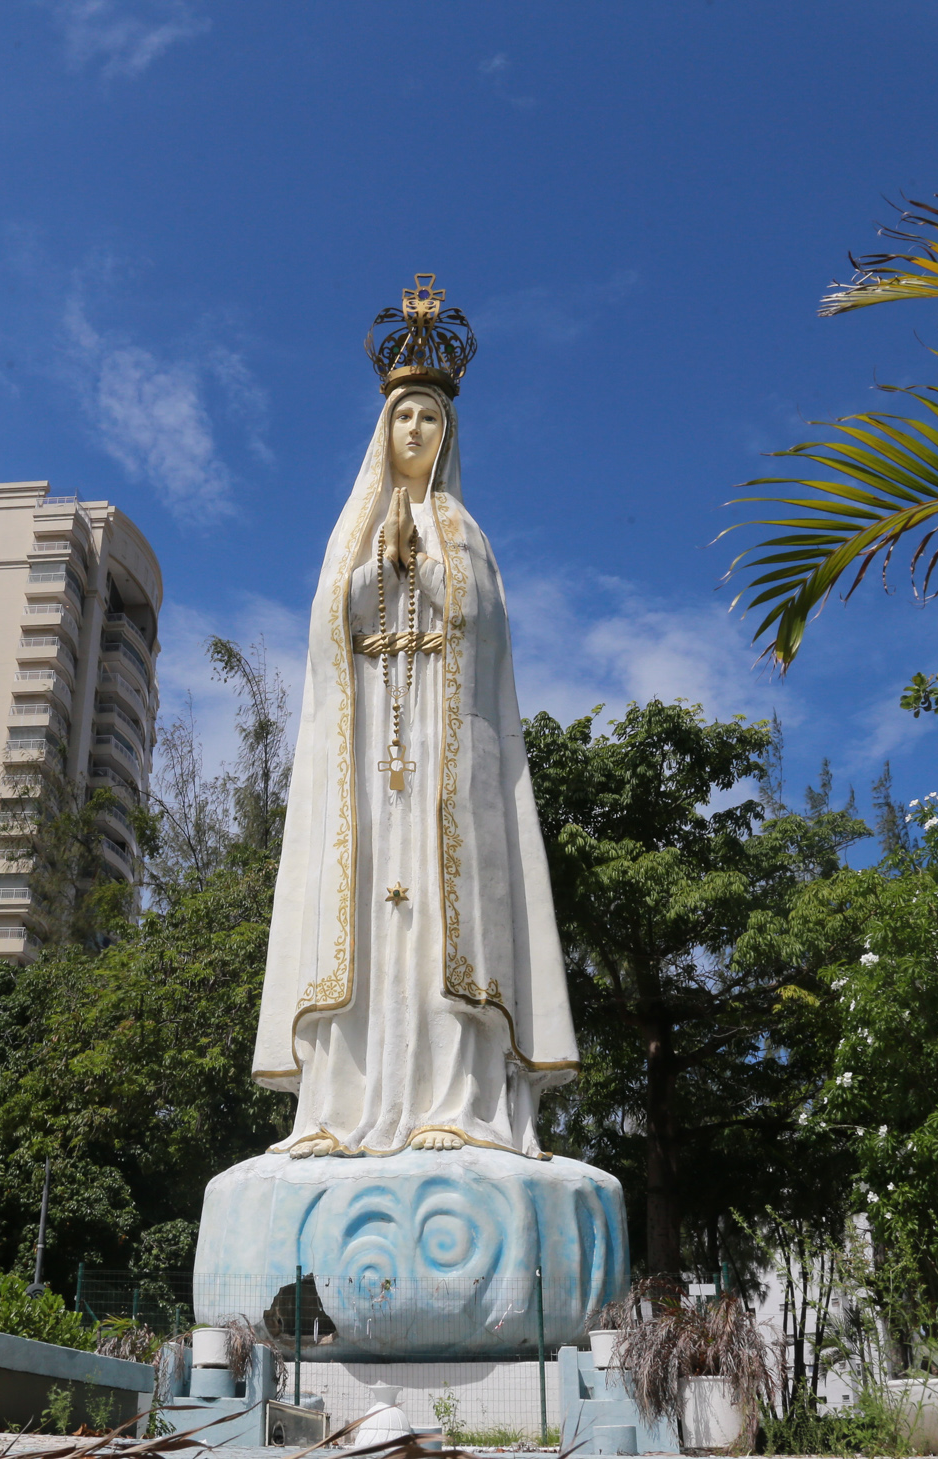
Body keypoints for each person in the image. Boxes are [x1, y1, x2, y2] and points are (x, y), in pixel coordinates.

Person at [252, 367, 578, 1159]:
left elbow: (485, 629)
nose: (416, 430)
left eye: (430, 417)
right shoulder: (351, 528)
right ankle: (336, 1106)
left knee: (444, 919)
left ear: (447, 435)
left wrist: (423, 567)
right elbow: (328, 630)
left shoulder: (462, 528)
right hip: (365, 770)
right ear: (383, 429)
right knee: (354, 918)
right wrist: (376, 568)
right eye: (404, 415)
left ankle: (456, 1103)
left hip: (443, 762)